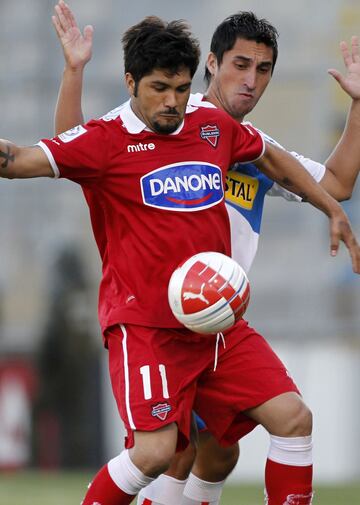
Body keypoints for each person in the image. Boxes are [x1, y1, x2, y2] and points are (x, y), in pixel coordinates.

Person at [51, 4, 360, 504]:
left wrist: (358, 105)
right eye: (240, 65)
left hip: (216, 318)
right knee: (174, 452)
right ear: (211, 65)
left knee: (220, 451)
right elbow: (76, 149)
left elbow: (338, 182)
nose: (251, 81)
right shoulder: (166, 120)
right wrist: (74, 71)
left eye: (263, 70)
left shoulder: (256, 148)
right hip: (157, 316)